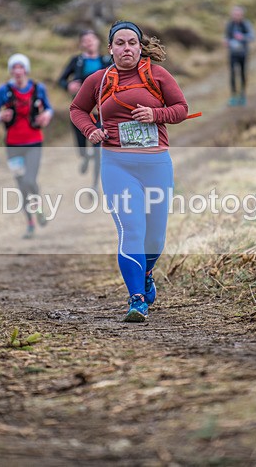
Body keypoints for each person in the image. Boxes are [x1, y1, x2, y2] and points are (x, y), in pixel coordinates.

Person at [70, 20, 189, 322]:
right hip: (116, 164)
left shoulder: (157, 75)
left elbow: (181, 109)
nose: (126, 48)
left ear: (139, 46)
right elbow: (77, 110)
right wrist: (90, 130)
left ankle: (147, 272)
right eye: (120, 43)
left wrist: (155, 114)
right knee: (131, 230)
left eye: (132, 43)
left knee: (156, 239)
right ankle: (136, 299)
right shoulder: (98, 79)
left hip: (156, 164)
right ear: (110, 48)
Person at [0, 53, 54, 239]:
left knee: (29, 181)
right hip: (12, 145)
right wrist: (0, 116)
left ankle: (39, 208)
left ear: (26, 70)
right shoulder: (4, 91)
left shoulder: (38, 89)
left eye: (20, 67)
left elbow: (49, 108)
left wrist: (46, 115)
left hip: (34, 142)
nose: (17, 71)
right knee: (20, 185)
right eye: (14, 68)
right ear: (10, 71)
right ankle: (30, 223)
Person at [57, 29, 113, 189]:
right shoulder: (76, 61)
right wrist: (68, 85)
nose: (89, 42)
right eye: (85, 40)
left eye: (92, 39)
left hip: (100, 113)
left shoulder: (106, 60)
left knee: (98, 150)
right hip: (81, 112)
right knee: (82, 146)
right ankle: (84, 157)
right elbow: (61, 80)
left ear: (98, 42)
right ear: (81, 43)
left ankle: (95, 185)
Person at [224, 5, 256, 106]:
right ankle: (233, 96)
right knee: (233, 74)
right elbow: (226, 37)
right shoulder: (230, 25)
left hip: (243, 53)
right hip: (232, 54)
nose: (236, 16)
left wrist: (242, 37)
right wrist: (226, 42)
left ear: (242, 15)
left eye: (238, 14)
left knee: (242, 73)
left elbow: (253, 37)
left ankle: (242, 95)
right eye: (234, 14)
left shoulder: (246, 24)